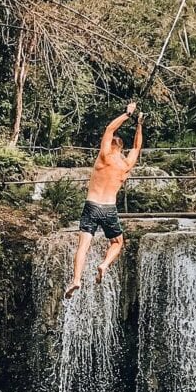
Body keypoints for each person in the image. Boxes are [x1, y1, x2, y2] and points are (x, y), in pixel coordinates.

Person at [65, 101, 143, 298]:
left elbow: (110, 128)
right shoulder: (125, 164)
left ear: (111, 144)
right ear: (122, 147)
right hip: (109, 208)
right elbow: (137, 146)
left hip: (92, 205)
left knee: (83, 246)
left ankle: (76, 280)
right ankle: (104, 264)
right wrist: (139, 123)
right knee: (117, 243)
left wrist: (127, 113)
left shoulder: (104, 157)